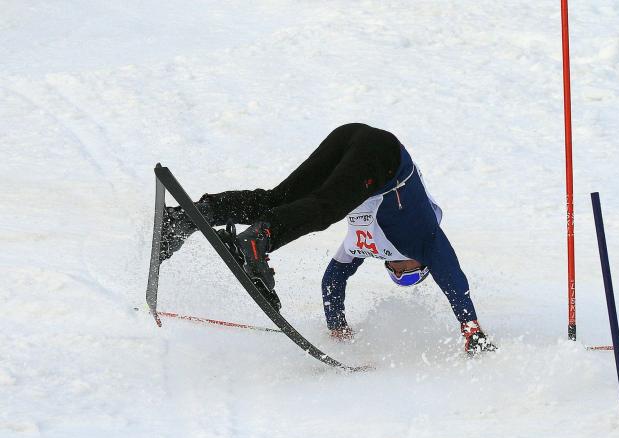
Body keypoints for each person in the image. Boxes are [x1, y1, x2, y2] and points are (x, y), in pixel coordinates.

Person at [160, 123, 496, 354]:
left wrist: (337, 326)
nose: (397, 270)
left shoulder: (366, 247)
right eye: (409, 274)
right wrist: (472, 330)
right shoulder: (427, 242)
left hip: (350, 138)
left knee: (278, 200)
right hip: (383, 155)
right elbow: (454, 281)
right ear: (423, 266)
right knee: (324, 210)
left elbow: (334, 278)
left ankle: (190, 217)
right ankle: (261, 238)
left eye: (396, 276)